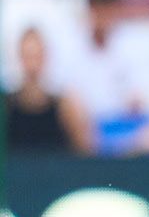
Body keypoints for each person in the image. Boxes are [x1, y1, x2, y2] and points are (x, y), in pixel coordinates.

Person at [6, 27, 96, 155]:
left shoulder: (64, 107)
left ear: (45, 57)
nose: (32, 64)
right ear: (19, 57)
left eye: (36, 56)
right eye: (27, 56)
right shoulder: (6, 106)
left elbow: (85, 152)